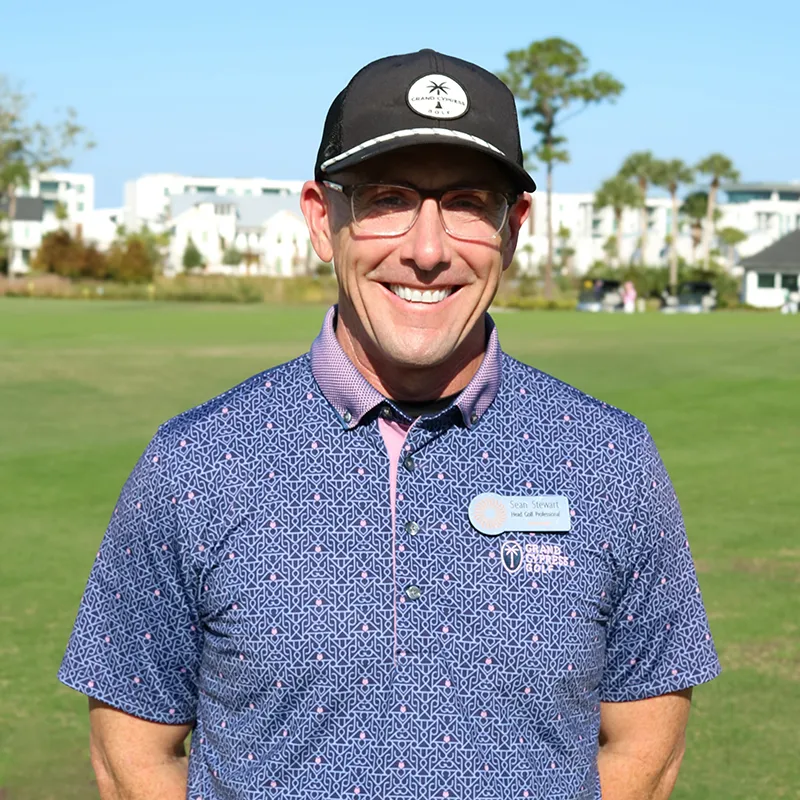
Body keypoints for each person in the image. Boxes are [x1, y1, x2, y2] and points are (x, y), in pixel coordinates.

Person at [59, 49, 721, 800]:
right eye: (387, 199)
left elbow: (645, 750)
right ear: (321, 217)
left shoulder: (612, 459)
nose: (428, 250)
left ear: (514, 227)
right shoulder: (194, 462)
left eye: (469, 202)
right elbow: (131, 758)